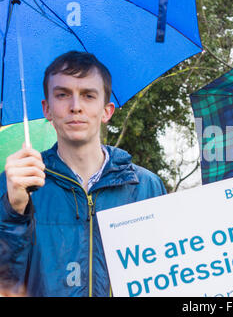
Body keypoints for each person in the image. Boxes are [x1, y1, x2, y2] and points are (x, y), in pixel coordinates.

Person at [0, 51, 166, 296]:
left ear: (107, 110)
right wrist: (12, 212)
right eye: (62, 95)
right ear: (47, 108)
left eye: (88, 95)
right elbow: (6, 281)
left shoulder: (146, 186)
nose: (75, 107)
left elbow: (165, 275)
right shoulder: (16, 184)